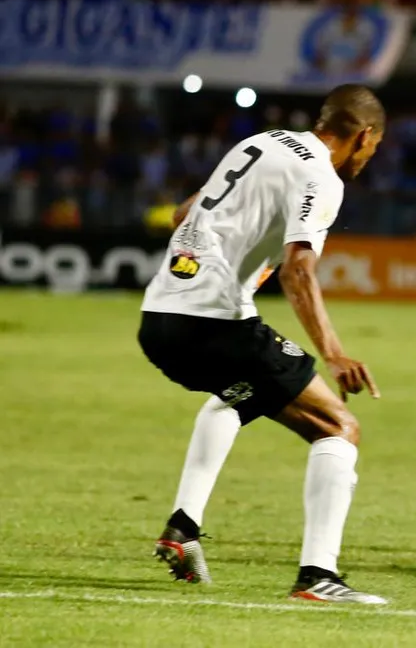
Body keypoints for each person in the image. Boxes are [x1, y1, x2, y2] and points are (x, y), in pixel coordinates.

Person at [137, 84, 388, 603]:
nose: (370, 156)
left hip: (160, 316)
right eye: (374, 146)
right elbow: (300, 268)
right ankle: (318, 576)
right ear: (363, 136)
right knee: (339, 425)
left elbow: (183, 215)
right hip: (215, 323)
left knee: (237, 396)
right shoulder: (321, 176)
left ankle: (182, 529)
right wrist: (334, 352)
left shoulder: (262, 142)